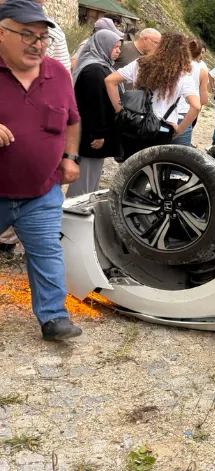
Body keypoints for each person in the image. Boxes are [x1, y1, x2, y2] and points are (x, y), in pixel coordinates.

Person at [0, 0, 84, 340]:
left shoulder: (58, 73)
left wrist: (70, 157)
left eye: (43, 36)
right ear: (2, 33)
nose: (37, 43)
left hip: (41, 191)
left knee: (47, 252)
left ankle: (54, 318)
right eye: (27, 34)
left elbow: (73, 121)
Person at [104, 33, 200, 159]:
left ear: (161, 46)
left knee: (131, 167)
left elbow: (110, 81)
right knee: (154, 170)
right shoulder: (182, 75)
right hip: (162, 129)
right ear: (184, 53)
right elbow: (196, 106)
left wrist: (119, 109)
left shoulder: (141, 63)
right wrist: (180, 129)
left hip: (135, 123)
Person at [66, 29, 122, 198]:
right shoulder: (94, 70)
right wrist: (98, 134)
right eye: (114, 47)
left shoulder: (102, 66)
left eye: (119, 47)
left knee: (91, 177)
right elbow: (93, 106)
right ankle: (74, 215)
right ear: (102, 46)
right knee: (84, 179)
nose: (118, 50)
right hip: (91, 136)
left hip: (94, 133)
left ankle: (82, 212)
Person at [172, 38, 208, 146]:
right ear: (200, 52)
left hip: (164, 112)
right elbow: (204, 100)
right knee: (179, 156)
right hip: (184, 113)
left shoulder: (172, 63)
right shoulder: (202, 70)